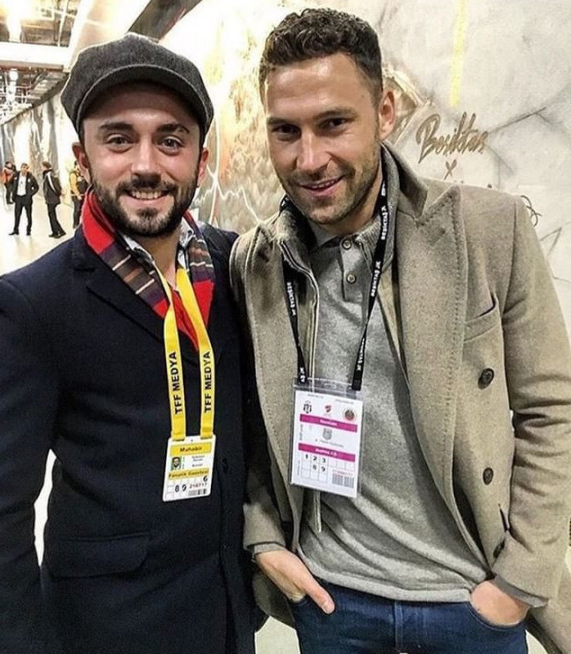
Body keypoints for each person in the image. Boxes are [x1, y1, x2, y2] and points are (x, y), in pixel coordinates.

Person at [231, 8, 571, 654]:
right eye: (286, 131)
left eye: (334, 124)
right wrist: (265, 537)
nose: (310, 158)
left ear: (384, 112)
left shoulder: (487, 232)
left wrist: (519, 582)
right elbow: (250, 420)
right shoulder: (257, 263)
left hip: (470, 602)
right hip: (332, 601)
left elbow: (551, 408)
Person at [0, 33, 255, 654]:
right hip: (106, 625)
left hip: (226, 612)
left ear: (201, 158)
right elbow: (1, 516)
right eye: (118, 139)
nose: (146, 165)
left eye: (170, 140)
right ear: (83, 157)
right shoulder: (34, 305)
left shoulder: (234, 267)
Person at [9, 162, 38, 235]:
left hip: (26, 198)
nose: (24, 170)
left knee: (29, 215)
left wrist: (30, 194)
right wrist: (12, 190)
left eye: (26, 168)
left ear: (27, 169)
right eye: (23, 168)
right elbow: (10, 183)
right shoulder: (15, 175)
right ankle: (15, 230)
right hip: (18, 198)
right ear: (21, 168)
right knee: (17, 215)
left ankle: (28, 230)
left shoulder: (31, 177)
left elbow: (36, 187)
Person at [41, 161, 66, 238]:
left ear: (45, 166)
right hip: (51, 198)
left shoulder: (49, 175)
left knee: (52, 215)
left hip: (52, 199)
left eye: (42, 166)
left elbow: (53, 186)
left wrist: (58, 193)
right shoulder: (50, 174)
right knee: (51, 215)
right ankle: (57, 231)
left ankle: (58, 232)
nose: (41, 168)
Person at [69, 159, 88, 228]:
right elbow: (73, 185)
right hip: (76, 195)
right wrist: (77, 195)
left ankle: (82, 223)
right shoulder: (73, 174)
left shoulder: (82, 173)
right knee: (77, 209)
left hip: (83, 194)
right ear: (76, 165)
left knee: (83, 210)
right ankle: (75, 224)